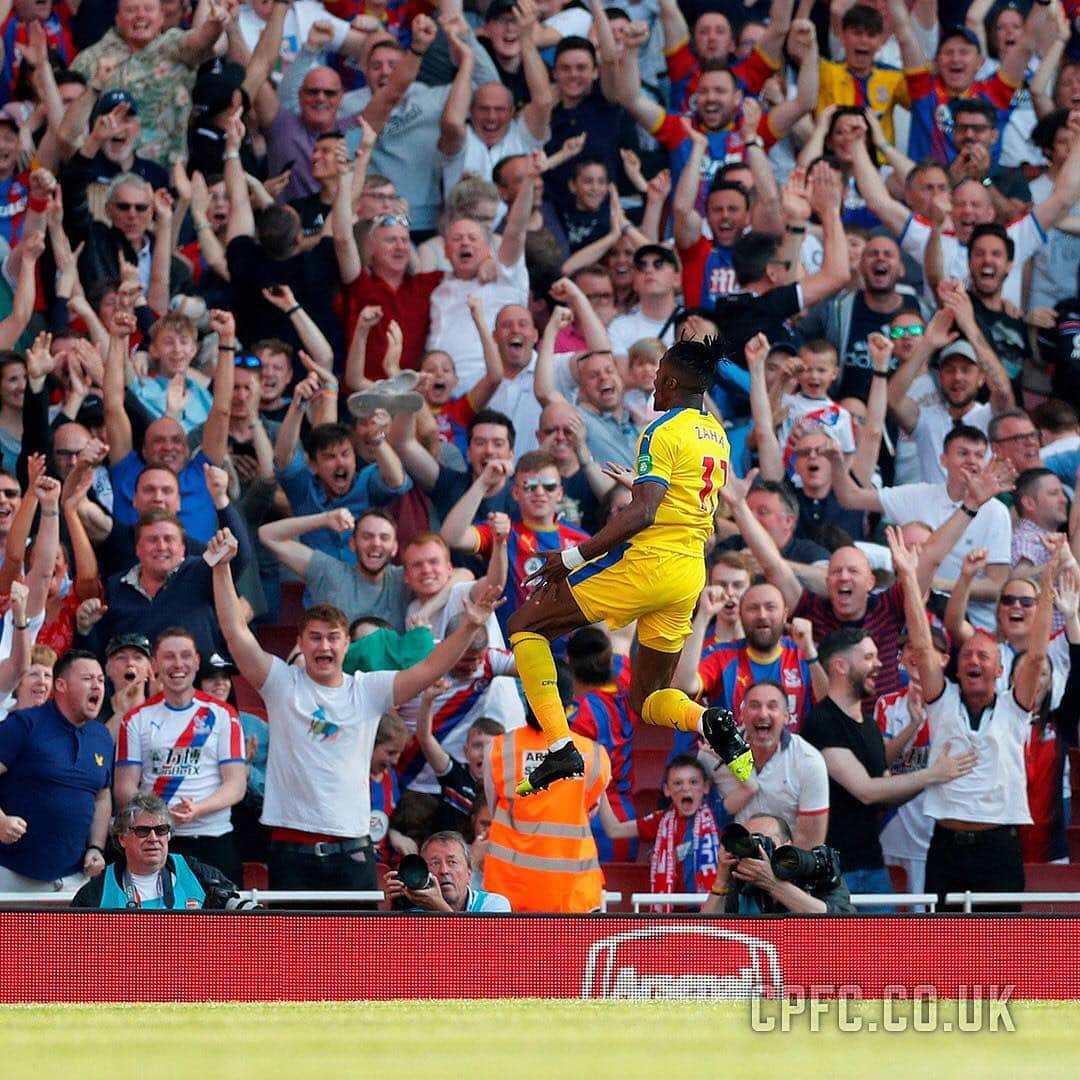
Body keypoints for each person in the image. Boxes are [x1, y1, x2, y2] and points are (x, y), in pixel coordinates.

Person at [506, 335, 752, 796]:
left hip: (650, 565)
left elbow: (644, 513)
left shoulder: (660, 430)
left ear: (672, 381)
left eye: (659, 375)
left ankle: (560, 746)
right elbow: (679, 498)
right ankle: (707, 718)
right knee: (648, 700)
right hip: (688, 574)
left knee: (526, 625)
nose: (654, 382)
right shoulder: (715, 434)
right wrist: (640, 483)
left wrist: (573, 556)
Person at [209, 526, 504, 892]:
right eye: (314, 637)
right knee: (292, 952)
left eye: (333, 637)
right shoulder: (282, 682)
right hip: (291, 853)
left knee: (360, 952)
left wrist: (472, 624)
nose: (324, 646)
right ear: (300, 642)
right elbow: (235, 632)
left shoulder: (368, 688)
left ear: (347, 644)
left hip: (354, 850)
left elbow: (430, 668)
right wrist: (221, 568)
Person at [895, 524, 1053, 910]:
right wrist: (908, 580)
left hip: (998, 846)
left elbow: (1034, 655)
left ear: (1001, 671)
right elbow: (920, 643)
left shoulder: (1015, 707)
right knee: (944, 952)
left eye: (984, 656)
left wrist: (1046, 586)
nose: (974, 660)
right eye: (967, 655)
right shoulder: (941, 699)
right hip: (945, 845)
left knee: (997, 955)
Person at [801, 619, 976, 904]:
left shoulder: (867, 724)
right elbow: (867, 790)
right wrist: (933, 774)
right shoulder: (823, 722)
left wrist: (914, 731)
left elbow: (885, 790)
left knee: (887, 949)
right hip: (835, 871)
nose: (879, 664)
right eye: (868, 658)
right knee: (835, 950)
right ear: (841, 667)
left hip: (872, 865)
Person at [114, 627, 247, 884]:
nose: (178, 664)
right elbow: (124, 787)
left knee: (222, 922)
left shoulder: (223, 714)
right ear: (154, 664)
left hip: (214, 838)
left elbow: (236, 784)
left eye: (185, 656)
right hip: (157, 841)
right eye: (169, 657)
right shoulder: (135, 719)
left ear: (196, 662)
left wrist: (197, 810)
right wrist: (160, 815)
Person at [483, 661, 610, 913]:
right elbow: (589, 809)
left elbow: (492, 806)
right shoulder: (594, 755)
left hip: (509, 893)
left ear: (528, 695)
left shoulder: (499, 749)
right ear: (569, 704)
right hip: (573, 896)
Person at [0, 649, 111, 893]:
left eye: (101, 680)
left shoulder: (101, 736)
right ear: (61, 685)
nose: (97, 686)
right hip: (10, 874)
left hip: (73, 880)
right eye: (87, 679)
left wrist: (96, 847)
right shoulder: (23, 724)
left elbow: (102, 796)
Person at [71, 794, 246, 909]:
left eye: (161, 830)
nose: (153, 838)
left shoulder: (198, 874)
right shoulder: (96, 892)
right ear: (122, 838)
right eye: (142, 831)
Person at [699, 812, 857, 915]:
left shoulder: (815, 870)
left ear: (787, 845)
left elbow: (844, 922)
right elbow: (702, 935)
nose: (757, 848)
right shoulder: (741, 877)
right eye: (750, 842)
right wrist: (721, 880)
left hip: (809, 958)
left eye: (764, 840)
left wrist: (773, 885)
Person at [385, 829, 511, 912]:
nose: (444, 871)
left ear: (469, 872)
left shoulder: (493, 904)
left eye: (452, 862)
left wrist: (438, 909)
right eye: (435, 863)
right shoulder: (415, 912)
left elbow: (483, 949)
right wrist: (390, 909)